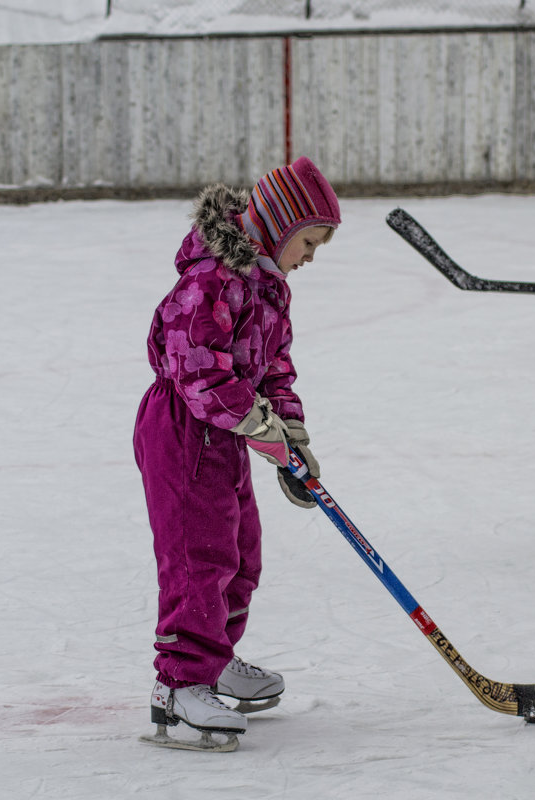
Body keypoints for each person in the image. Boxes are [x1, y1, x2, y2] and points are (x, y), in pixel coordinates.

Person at [133, 157, 339, 745]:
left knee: (240, 554)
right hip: (182, 430)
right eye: (310, 241)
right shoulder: (212, 279)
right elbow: (197, 373)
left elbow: (275, 366)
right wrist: (260, 427)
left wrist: (291, 435)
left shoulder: (269, 286)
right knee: (199, 558)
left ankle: (214, 659)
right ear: (280, 224)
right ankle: (177, 684)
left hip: (226, 434)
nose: (311, 257)